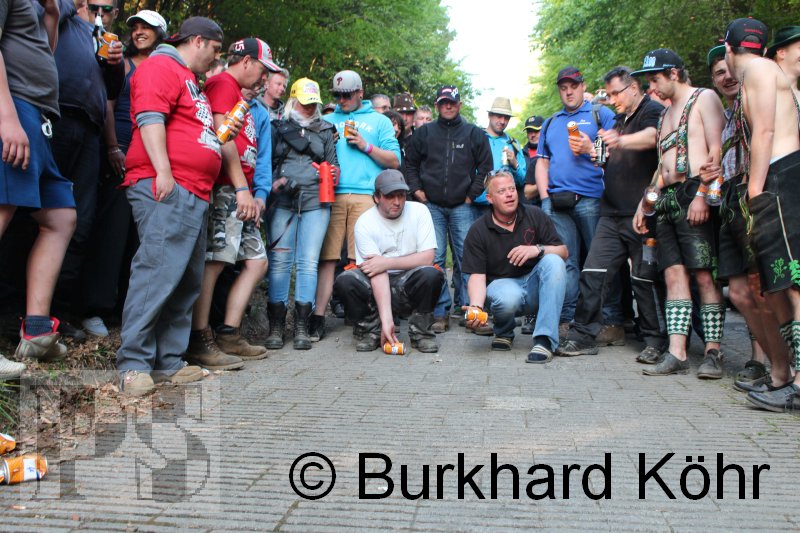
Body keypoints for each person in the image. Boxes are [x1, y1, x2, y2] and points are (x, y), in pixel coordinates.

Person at [115, 17, 225, 396]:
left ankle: (168, 361)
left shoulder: (189, 78)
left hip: (194, 190)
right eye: (215, 50)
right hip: (166, 184)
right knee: (157, 272)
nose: (215, 59)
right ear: (198, 41)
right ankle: (133, 364)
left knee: (185, 279)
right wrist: (163, 171)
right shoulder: (161, 65)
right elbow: (149, 117)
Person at [555, 66, 667, 360]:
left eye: (616, 93)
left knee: (644, 278)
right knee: (592, 272)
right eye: (609, 94)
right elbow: (605, 159)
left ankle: (655, 340)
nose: (612, 99)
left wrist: (620, 141)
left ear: (633, 88)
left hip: (641, 213)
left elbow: (653, 137)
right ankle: (582, 335)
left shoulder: (651, 110)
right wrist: (592, 150)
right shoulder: (618, 120)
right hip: (610, 212)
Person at [186, 38, 282, 369]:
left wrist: (254, 192)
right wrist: (241, 188)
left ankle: (229, 332)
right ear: (246, 61)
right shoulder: (222, 84)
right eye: (262, 69)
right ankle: (199, 338)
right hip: (228, 188)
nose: (263, 77)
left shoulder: (239, 95)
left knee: (256, 262)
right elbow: (222, 137)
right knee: (216, 260)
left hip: (243, 191)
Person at [631, 48, 726, 377]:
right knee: (672, 274)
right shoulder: (664, 114)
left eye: (655, 78)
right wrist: (645, 202)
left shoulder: (704, 98)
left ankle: (713, 352)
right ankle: (677, 352)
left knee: (704, 274)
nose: (651, 86)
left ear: (674, 73)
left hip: (694, 191)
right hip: (667, 200)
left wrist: (702, 195)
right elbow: (663, 165)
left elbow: (717, 150)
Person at [721, 19, 800, 412]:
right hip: (775, 178)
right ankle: (784, 376)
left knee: (793, 283)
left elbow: (765, 131)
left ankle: (798, 384)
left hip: (780, 177)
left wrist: (754, 189)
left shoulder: (758, 70)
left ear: (727, 49)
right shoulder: (763, 70)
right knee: (774, 286)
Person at [0, 0, 77, 378]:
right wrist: (6, 118)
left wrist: (51, 13)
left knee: (61, 216)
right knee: (3, 210)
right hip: (14, 108)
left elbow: (44, 50)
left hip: (41, 118)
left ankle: (36, 330)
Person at [80, 9, 167, 337]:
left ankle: (125, 309)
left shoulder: (166, 68)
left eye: (147, 27)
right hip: (121, 153)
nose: (139, 32)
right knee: (112, 231)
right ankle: (95, 307)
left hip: (153, 161)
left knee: (139, 237)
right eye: (136, 27)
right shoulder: (123, 63)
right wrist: (113, 147)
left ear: (161, 33)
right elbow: (108, 105)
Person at [702, 44, 785, 387]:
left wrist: (756, 191)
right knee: (738, 293)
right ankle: (774, 364)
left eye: (728, 69)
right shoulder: (727, 114)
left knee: (763, 288)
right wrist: (712, 173)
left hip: (756, 195)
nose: (726, 77)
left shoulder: (762, 95)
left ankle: (767, 364)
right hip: (729, 200)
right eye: (718, 73)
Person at [49, 0, 124, 340]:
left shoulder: (104, 39)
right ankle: (13, 309)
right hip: (55, 116)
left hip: (90, 130)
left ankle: (58, 311)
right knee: (32, 214)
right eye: (94, 6)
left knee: (80, 221)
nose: (100, 14)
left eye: (107, 9)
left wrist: (115, 65)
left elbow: (111, 94)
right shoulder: (63, 18)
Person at [310, 70, 401, 339]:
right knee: (327, 259)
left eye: (347, 95)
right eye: (337, 95)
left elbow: (395, 161)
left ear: (360, 92)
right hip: (331, 195)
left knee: (362, 260)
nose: (342, 100)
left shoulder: (380, 121)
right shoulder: (326, 120)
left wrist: (365, 146)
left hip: (365, 195)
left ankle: (364, 317)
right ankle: (317, 316)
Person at [535, 66, 618, 335]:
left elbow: (619, 150)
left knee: (598, 263)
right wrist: (545, 198)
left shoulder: (600, 114)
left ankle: (608, 320)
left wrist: (590, 148)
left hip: (592, 199)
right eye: (563, 87)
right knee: (566, 262)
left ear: (583, 87)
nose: (569, 91)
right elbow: (542, 163)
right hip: (558, 202)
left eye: (573, 86)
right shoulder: (551, 122)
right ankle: (568, 318)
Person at [404, 85, 492, 333]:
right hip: (431, 205)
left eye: (452, 102)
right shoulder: (424, 133)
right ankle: (440, 312)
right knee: (436, 258)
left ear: (459, 105)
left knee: (467, 257)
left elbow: (486, 167)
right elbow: (410, 164)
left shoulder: (473, 133)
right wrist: (417, 190)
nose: (448, 106)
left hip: (463, 206)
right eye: (444, 102)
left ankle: (470, 311)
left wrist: (471, 195)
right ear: (437, 106)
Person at [462, 171, 567, 363]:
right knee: (506, 297)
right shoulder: (478, 230)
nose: (509, 194)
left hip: (535, 284)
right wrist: (476, 307)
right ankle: (503, 331)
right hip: (503, 289)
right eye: (502, 191)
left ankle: (544, 341)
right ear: (490, 198)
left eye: (511, 189)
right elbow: (477, 276)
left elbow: (563, 252)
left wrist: (537, 249)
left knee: (554, 261)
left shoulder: (535, 215)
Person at [265, 78, 338, 350]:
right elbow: (266, 163)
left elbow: (333, 164)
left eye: (312, 104)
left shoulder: (326, 130)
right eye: (304, 103)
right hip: (282, 201)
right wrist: (276, 183)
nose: (309, 108)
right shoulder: (277, 127)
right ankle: (275, 327)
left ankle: (301, 327)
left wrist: (333, 174)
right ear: (293, 101)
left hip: (316, 202)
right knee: (280, 262)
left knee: (308, 263)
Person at [332, 170, 441, 352]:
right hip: (376, 284)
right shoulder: (365, 223)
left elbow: (428, 257)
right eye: (390, 196)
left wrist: (387, 263)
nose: (397, 202)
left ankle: (421, 333)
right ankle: (370, 331)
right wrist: (387, 320)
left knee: (432, 274)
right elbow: (376, 270)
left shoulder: (420, 211)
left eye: (401, 195)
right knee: (346, 280)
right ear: (376, 197)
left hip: (407, 283)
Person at [474, 97, 526, 207]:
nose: (502, 121)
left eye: (506, 118)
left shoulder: (513, 144)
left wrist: (515, 164)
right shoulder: (474, 139)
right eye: (499, 116)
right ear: (489, 115)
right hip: (475, 205)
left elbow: (522, 181)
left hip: (503, 207)